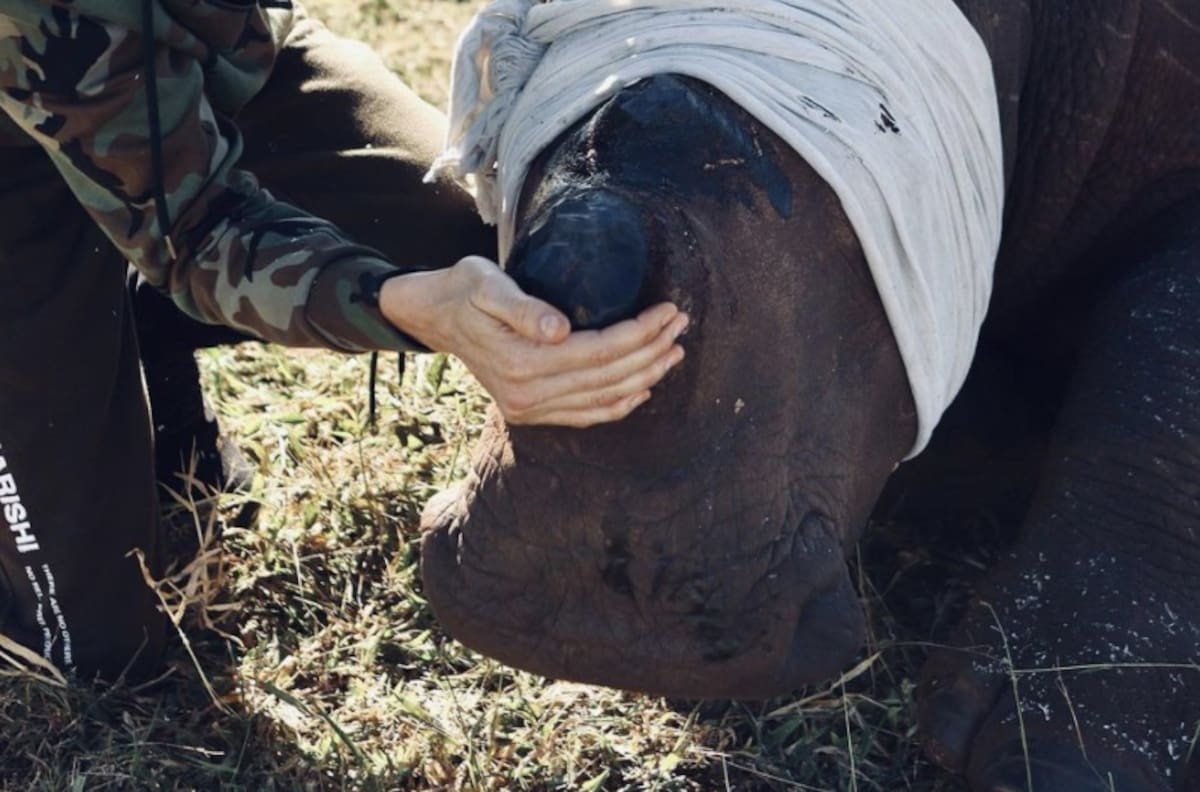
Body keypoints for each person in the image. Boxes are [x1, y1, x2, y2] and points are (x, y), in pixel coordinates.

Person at [0, 1, 687, 680]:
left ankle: (136, 322)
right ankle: (88, 337)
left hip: (224, 60)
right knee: (91, 649)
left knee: (512, 247)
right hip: (20, 165)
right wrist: (402, 304)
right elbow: (194, 236)